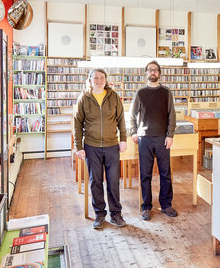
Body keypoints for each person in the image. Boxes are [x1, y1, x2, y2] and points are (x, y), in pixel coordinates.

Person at [73, 69, 127, 230]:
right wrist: (79, 146)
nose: (99, 80)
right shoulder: (84, 98)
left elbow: (121, 120)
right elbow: (77, 124)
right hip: (92, 146)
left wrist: (123, 139)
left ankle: (116, 214)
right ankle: (99, 214)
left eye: (102, 77)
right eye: (95, 78)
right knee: (95, 181)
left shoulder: (114, 97)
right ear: (90, 80)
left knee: (113, 182)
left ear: (106, 80)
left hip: (111, 146)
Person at [129, 60, 177, 221]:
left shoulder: (166, 92)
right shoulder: (140, 93)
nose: (153, 72)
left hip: (163, 138)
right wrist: (134, 132)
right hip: (144, 139)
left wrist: (170, 135)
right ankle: (146, 207)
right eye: (150, 70)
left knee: (165, 173)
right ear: (146, 73)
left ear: (159, 73)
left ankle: (166, 204)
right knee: (145, 174)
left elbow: (172, 114)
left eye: (155, 70)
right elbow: (132, 115)